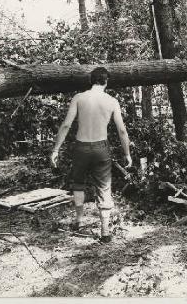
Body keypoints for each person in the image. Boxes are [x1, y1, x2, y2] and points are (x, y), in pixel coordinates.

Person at [50, 67, 132, 243]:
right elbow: (122, 131)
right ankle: (105, 232)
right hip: (101, 148)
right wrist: (127, 153)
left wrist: (56, 149)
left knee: (78, 184)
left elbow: (66, 125)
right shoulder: (112, 101)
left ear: (90, 80)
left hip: (81, 147)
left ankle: (79, 221)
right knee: (104, 187)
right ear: (106, 81)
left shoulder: (79, 98)